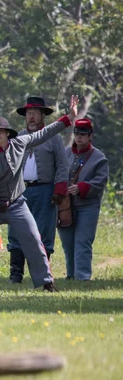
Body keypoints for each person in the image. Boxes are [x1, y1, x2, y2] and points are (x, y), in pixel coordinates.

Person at [0, 95, 78, 293]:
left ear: (7, 134)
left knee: (34, 238)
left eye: (0, 131)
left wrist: (69, 118)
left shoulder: (21, 143)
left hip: (17, 204)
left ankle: (47, 283)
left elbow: (46, 133)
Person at [6, 97, 68, 284]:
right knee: (16, 230)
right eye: (29, 114)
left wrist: (59, 189)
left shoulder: (54, 138)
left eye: (35, 114)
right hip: (21, 191)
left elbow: (62, 165)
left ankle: (42, 275)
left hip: (45, 190)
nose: (31, 117)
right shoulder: (18, 138)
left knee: (44, 232)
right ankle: (16, 275)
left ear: (43, 116)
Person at [57, 118, 109, 281]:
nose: (79, 137)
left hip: (88, 205)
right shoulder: (65, 153)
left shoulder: (99, 158)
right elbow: (57, 174)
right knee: (67, 243)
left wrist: (82, 187)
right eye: (77, 134)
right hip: (66, 206)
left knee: (83, 241)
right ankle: (71, 275)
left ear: (90, 136)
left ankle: (83, 277)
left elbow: (101, 180)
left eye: (83, 134)